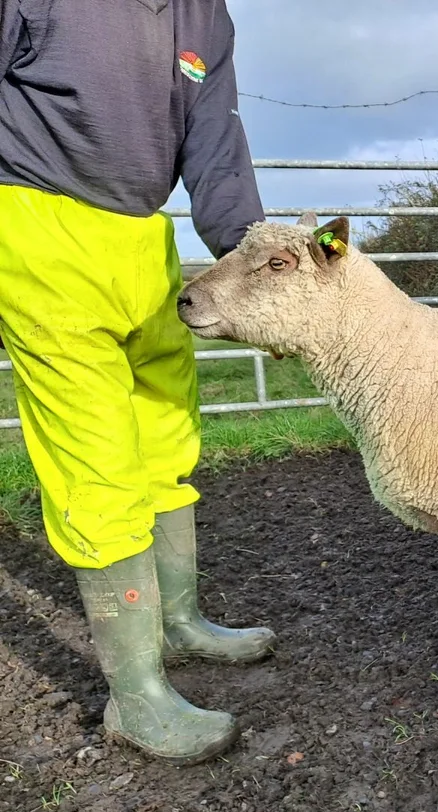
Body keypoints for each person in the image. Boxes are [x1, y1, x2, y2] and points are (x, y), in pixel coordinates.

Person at [0, 1, 274, 766]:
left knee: (165, 435)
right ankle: (136, 694)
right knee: (98, 460)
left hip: (142, 236)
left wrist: (262, 266)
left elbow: (216, 150)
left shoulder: (204, 17)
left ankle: (178, 620)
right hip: (36, 220)